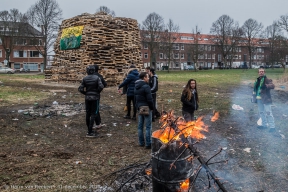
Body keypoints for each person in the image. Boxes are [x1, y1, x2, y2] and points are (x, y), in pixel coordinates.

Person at [78, 65, 104, 137]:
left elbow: (80, 89)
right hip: (95, 98)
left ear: (87, 71)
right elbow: (101, 86)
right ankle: (90, 132)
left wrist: (86, 93)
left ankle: (89, 130)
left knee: (88, 113)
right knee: (94, 113)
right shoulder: (97, 78)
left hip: (87, 98)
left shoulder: (85, 78)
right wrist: (97, 92)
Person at [134, 72, 154, 149]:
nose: (149, 78)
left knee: (140, 126)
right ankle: (148, 143)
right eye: (147, 77)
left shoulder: (136, 86)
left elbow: (135, 98)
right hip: (146, 107)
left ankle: (141, 142)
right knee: (148, 126)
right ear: (144, 78)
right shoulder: (146, 87)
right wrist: (152, 108)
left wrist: (137, 107)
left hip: (139, 107)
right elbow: (150, 99)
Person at [253, 67, 276, 132]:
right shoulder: (257, 80)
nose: (261, 72)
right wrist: (253, 97)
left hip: (266, 99)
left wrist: (266, 86)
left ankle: (272, 127)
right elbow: (255, 90)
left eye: (262, 71)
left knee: (268, 113)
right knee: (261, 112)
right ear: (258, 73)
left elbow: (273, 86)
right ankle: (264, 125)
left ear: (264, 72)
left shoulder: (267, 79)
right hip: (258, 99)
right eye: (260, 71)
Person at [93, 64, 107, 129]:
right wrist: (99, 90)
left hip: (89, 95)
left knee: (92, 110)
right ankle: (98, 122)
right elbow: (105, 84)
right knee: (96, 109)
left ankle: (97, 123)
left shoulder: (90, 76)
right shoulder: (100, 76)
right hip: (97, 94)